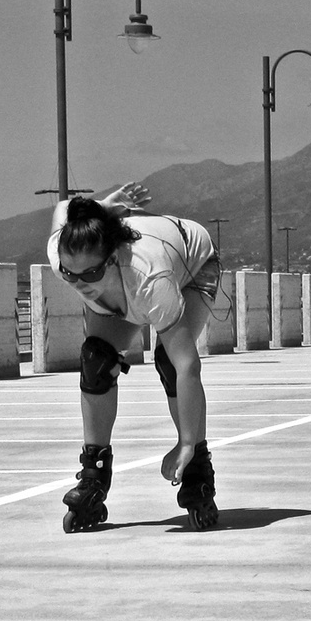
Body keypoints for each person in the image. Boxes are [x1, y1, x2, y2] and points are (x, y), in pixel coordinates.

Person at [48, 182, 221, 531]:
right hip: (124, 283)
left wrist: (186, 443)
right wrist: (99, 207)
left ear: (111, 259)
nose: (80, 284)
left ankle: (197, 468)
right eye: (70, 275)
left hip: (192, 265)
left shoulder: (150, 280)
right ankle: (93, 475)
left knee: (170, 360)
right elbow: (64, 208)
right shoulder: (65, 249)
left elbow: (189, 364)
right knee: (96, 360)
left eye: (91, 274)